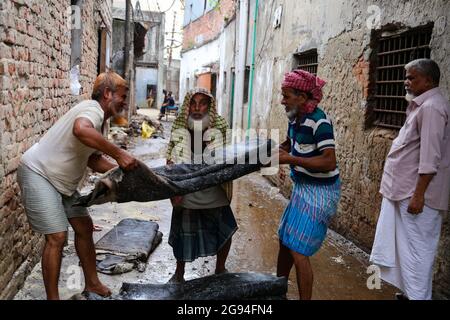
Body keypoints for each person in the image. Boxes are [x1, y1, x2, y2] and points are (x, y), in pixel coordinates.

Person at [17, 71, 138, 300]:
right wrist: (120, 153)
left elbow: (93, 159)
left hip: (61, 181)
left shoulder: (97, 118)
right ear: (108, 94)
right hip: (39, 173)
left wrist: (123, 170)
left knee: (84, 227)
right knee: (57, 237)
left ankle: (92, 284)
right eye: (122, 96)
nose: (124, 102)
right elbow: (80, 130)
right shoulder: (92, 109)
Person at [370, 59, 450, 300]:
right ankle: (411, 295)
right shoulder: (421, 105)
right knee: (408, 252)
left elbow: (430, 157)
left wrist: (418, 195)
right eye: (406, 77)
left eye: (411, 77)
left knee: (417, 253)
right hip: (406, 192)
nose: (406, 82)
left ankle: (417, 296)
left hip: (417, 196)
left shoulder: (432, 107)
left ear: (428, 80)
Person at [275, 69, 341, 300]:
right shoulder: (296, 117)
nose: (282, 101)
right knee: (285, 240)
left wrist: (290, 159)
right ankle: (277, 291)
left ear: (302, 97)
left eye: (286, 96)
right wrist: (274, 151)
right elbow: (289, 144)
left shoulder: (319, 121)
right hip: (303, 187)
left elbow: (328, 160)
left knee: (298, 249)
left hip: (320, 192)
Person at [165, 88, 235, 283]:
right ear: (188, 105)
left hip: (213, 186)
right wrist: (174, 187)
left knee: (225, 227)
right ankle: (179, 273)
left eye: (202, 103)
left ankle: (220, 269)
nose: (197, 108)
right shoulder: (180, 124)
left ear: (209, 106)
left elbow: (228, 154)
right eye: (193, 103)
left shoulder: (219, 125)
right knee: (183, 232)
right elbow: (171, 153)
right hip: (187, 187)